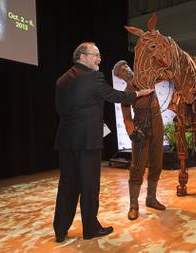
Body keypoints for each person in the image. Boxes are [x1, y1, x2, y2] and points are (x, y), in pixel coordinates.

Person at [53, 42, 153, 242]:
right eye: (96, 55)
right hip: (88, 141)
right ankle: (90, 228)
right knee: (89, 186)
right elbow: (114, 96)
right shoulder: (93, 76)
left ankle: (60, 230)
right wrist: (138, 94)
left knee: (67, 185)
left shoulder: (61, 80)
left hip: (66, 141)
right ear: (82, 57)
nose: (99, 59)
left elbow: (59, 109)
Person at [113, 60, 165, 220]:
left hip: (157, 123)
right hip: (141, 127)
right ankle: (133, 205)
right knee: (137, 167)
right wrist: (132, 132)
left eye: (126, 66)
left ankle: (151, 198)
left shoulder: (148, 79)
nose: (126, 69)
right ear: (120, 76)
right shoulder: (126, 94)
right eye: (122, 70)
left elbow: (165, 74)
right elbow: (127, 117)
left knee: (157, 163)